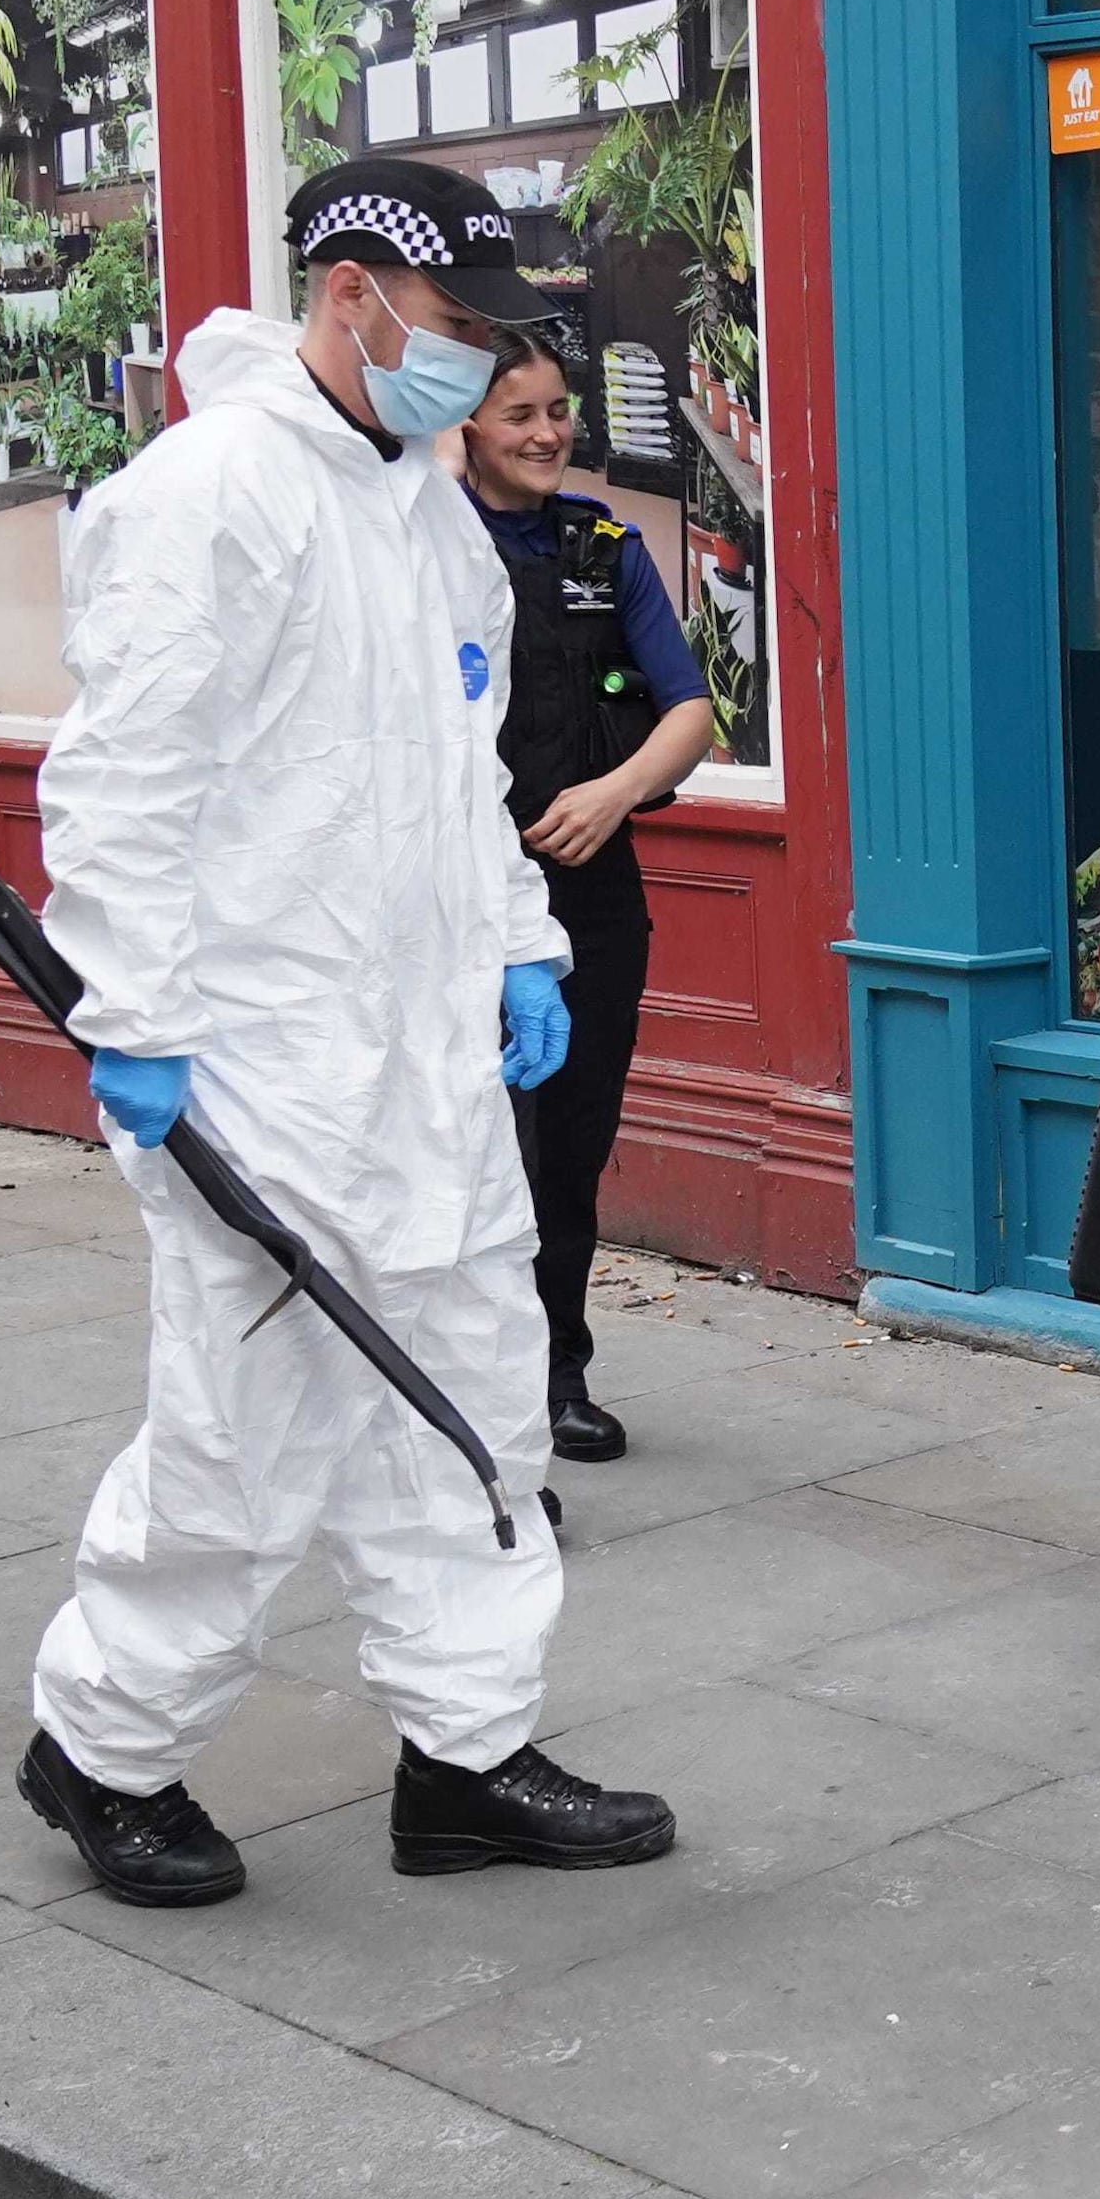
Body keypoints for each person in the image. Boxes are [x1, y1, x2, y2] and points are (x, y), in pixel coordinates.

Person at [17, 155, 679, 1906]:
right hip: (257, 1065)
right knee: (247, 1440)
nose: (477, 366)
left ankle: (466, 1753)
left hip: (424, 1055)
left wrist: (523, 945)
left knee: (471, 1410)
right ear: (350, 297)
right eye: (457, 331)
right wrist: (142, 1026)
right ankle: (105, 1741)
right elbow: (122, 783)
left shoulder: (423, 510)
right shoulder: (209, 497)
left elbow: (465, 774)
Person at [458, 334, 720, 1463]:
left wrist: (615, 793)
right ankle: (461, 1380)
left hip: (587, 899)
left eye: (558, 411)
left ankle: (556, 1374)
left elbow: (691, 712)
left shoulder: (602, 547)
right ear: (466, 425)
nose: (547, 433)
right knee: (462, 1149)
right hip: (453, 897)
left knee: (566, 1149)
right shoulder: (424, 546)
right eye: (520, 414)